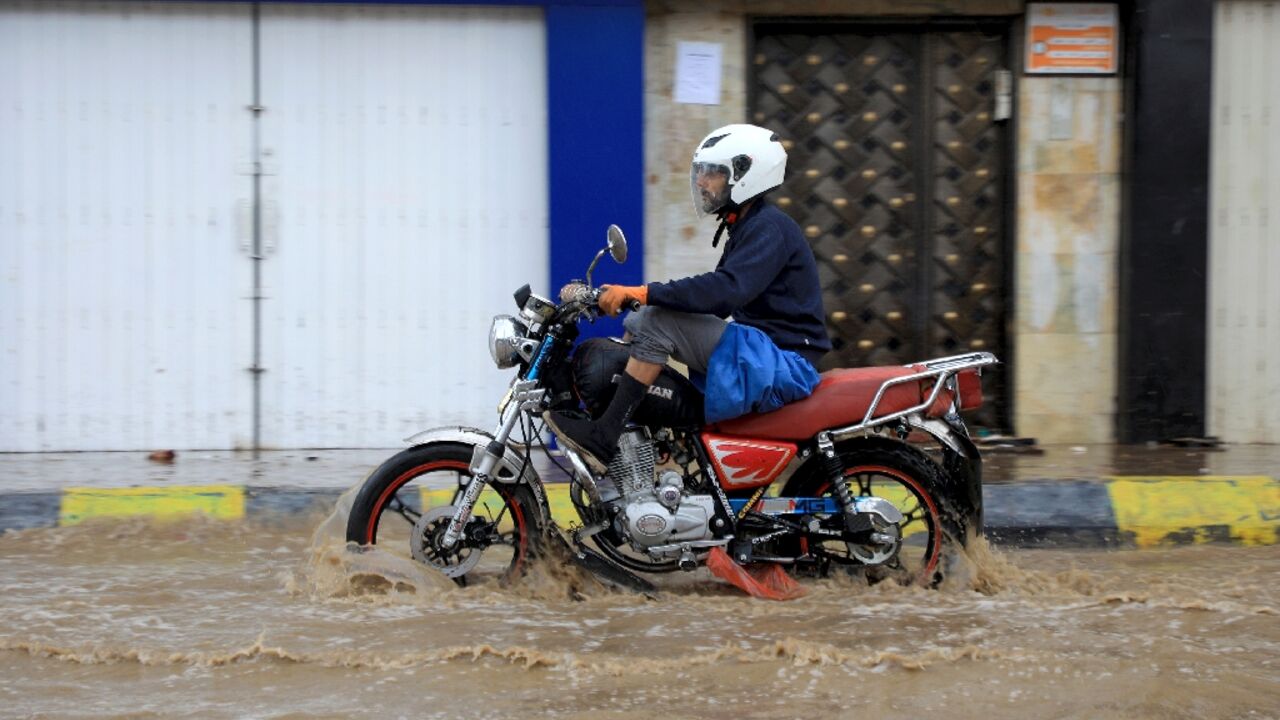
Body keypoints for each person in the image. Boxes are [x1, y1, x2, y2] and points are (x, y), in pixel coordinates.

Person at [546, 123, 832, 473]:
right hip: (760, 352)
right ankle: (638, 435)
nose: (701, 181)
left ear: (745, 174)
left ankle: (605, 436)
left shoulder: (769, 227)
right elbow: (720, 295)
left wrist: (642, 292)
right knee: (641, 319)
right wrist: (635, 299)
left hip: (783, 362)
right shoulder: (747, 224)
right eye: (703, 172)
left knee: (654, 318)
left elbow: (724, 291)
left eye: (713, 172)